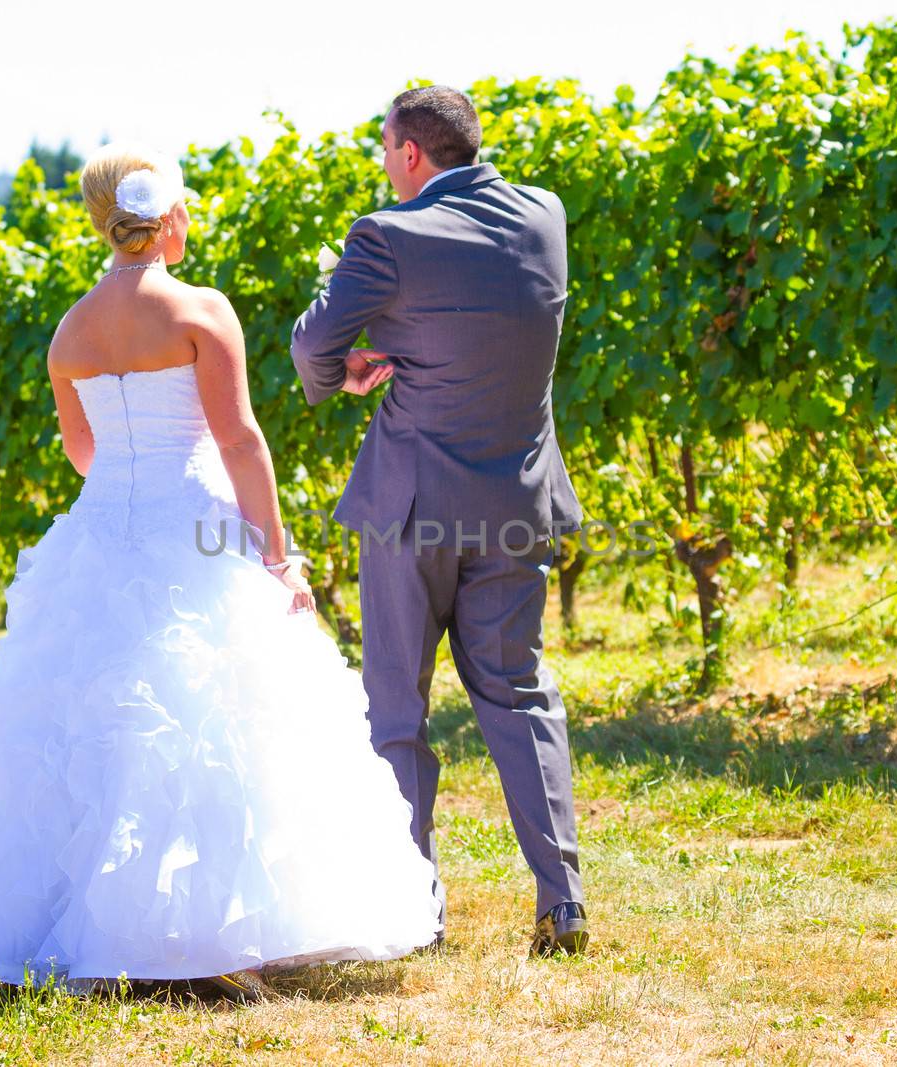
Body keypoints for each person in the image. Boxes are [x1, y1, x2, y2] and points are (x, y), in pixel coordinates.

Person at [0, 143, 440, 1000]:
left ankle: (93, 928)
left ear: (103, 220)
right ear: (169, 216)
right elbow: (239, 438)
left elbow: (84, 454)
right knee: (213, 722)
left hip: (102, 533)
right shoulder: (201, 309)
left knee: (98, 730)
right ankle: (213, 929)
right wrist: (277, 552)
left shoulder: (70, 332)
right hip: (195, 531)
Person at [291, 86, 588, 956]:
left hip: (412, 511)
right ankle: (561, 901)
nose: (386, 167)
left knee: (396, 707)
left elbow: (314, 346)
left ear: (411, 154)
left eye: (388, 151)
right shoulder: (546, 217)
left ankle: (412, 906)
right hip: (515, 504)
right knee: (520, 696)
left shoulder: (390, 235)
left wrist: (343, 374)